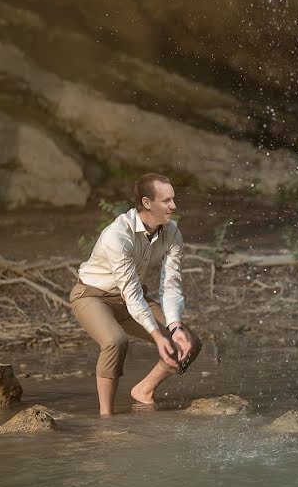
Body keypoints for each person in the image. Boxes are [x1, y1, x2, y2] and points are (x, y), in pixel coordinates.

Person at [69, 173, 201, 416]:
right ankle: (106, 419)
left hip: (133, 298)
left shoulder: (172, 232)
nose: (174, 206)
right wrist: (158, 337)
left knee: (188, 343)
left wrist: (174, 328)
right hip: (92, 296)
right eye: (167, 201)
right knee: (115, 341)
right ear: (147, 203)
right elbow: (131, 292)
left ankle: (144, 391)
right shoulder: (117, 235)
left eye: (173, 199)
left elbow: (171, 285)